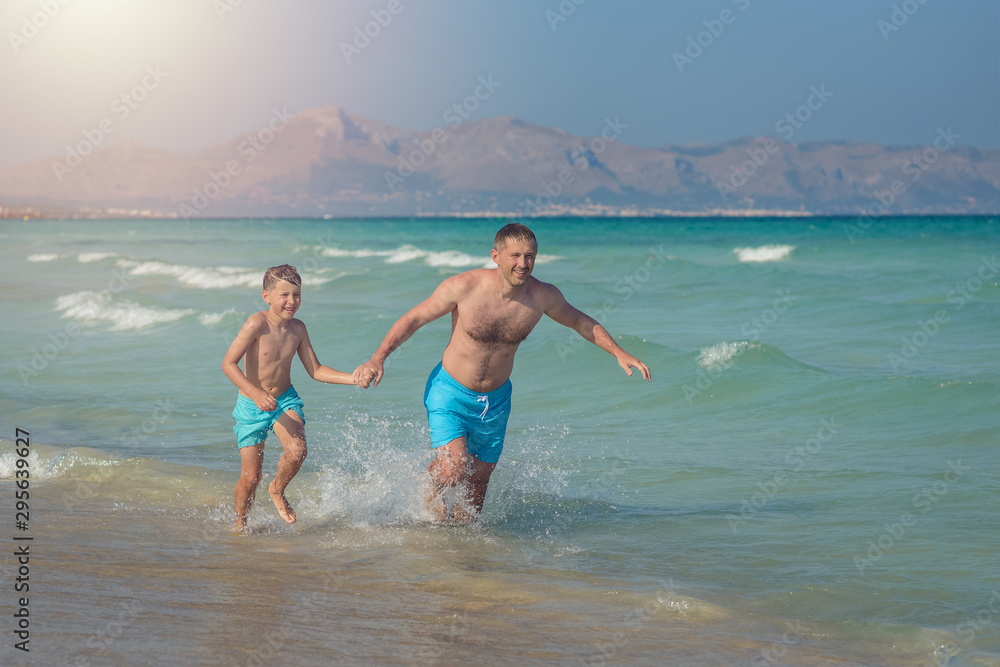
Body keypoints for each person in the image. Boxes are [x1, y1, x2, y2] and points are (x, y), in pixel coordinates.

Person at [353, 223, 651, 522]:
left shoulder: (543, 296)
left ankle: (461, 546)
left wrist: (619, 352)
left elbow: (580, 322)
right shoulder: (463, 287)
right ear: (496, 256)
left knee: (479, 482)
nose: (523, 264)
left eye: (530, 256)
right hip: (450, 391)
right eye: (516, 256)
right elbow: (414, 318)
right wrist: (378, 358)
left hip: (496, 399)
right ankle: (423, 497)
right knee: (453, 468)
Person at [223, 264, 355, 531]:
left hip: (284, 399)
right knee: (250, 478)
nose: (291, 301)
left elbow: (316, 370)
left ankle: (277, 490)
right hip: (252, 404)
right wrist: (255, 393)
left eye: (296, 295)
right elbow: (228, 364)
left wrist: (353, 378)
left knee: (297, 451)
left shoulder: (298, 329)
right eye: (284, 295)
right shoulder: (256, 323)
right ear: (266, 296)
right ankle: (240, 523)